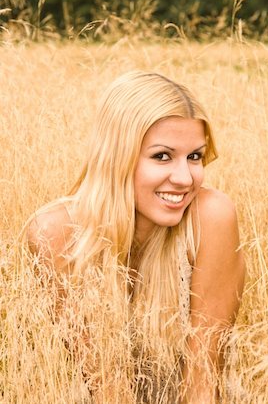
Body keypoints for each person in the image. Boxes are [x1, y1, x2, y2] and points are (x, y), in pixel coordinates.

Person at [25, 70, 245, 403]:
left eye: (195, 156)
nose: (185, 178)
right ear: (117, 157)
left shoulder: (211, 216)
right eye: (162, 156)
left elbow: (202, 380)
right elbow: (107, 388)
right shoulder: (57, 231)